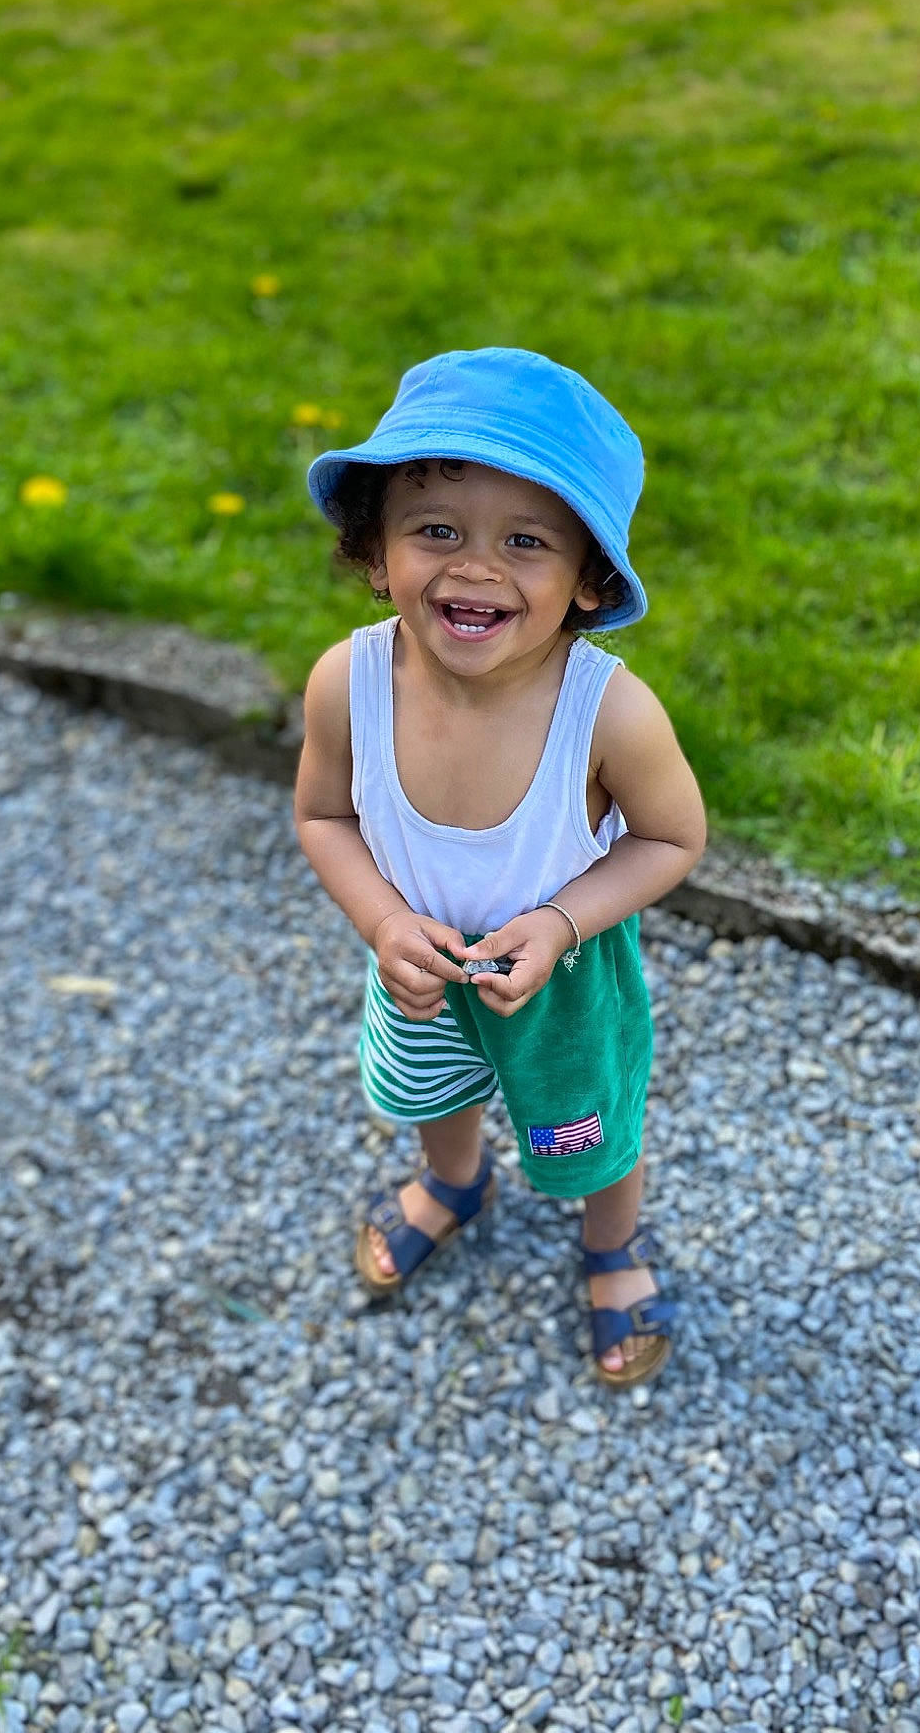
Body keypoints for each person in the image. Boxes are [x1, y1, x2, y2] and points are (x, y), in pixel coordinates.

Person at [294, 347, 706, 1387]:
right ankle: (456, 1180)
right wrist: (385, 924)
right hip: (419, 964)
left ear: (589, 583)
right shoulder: (350, 682)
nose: (475, 567)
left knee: (593, 1128)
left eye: (527, 541)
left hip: (560, 983)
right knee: (434, 1091)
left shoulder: (607, 712)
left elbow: (672, 838)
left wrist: (564, 919)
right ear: (377, 555)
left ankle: (611, 1244)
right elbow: (323, 813)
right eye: (437, 530)